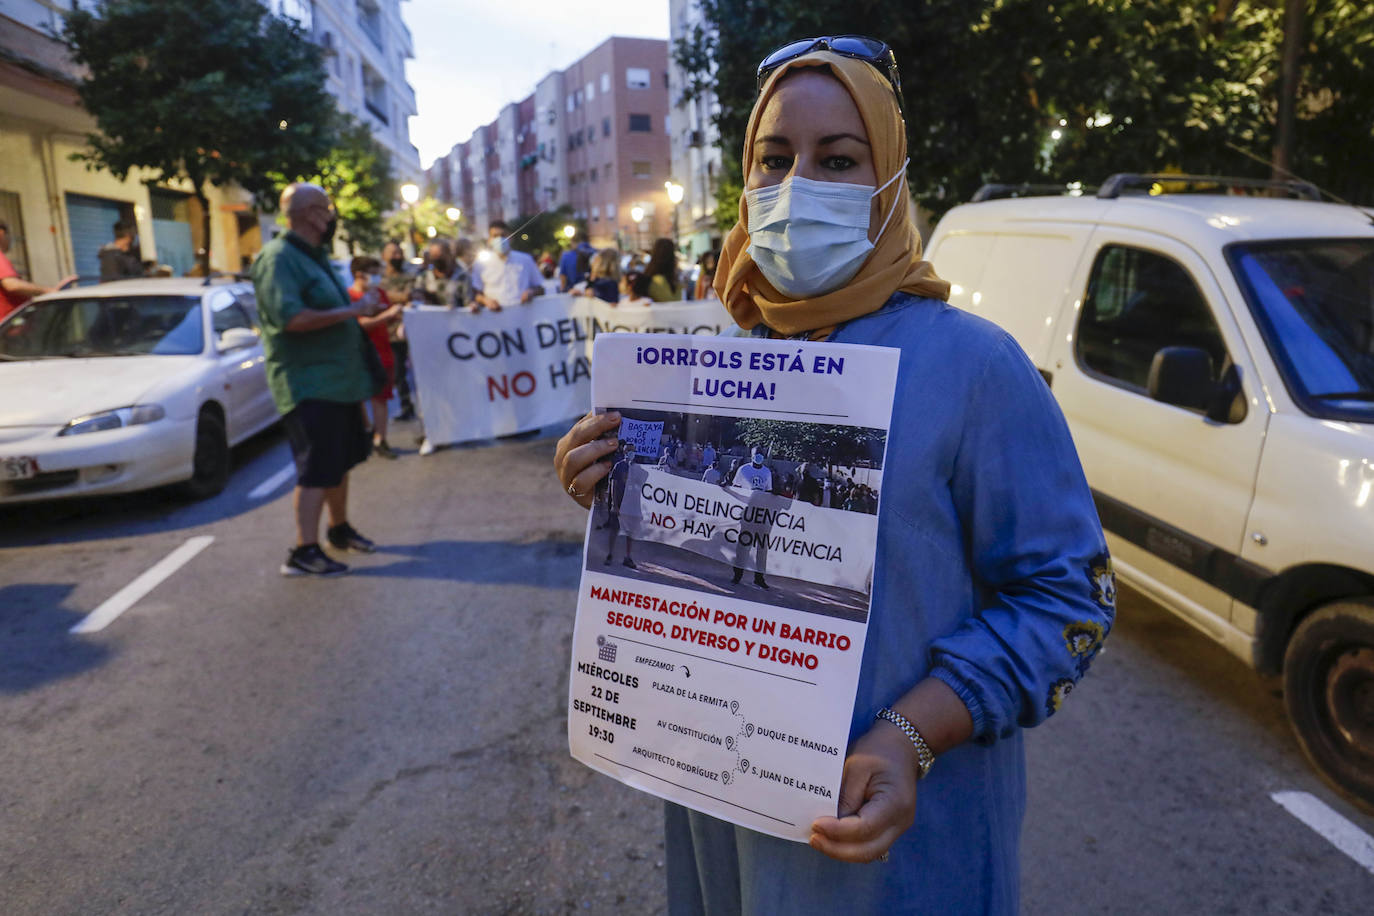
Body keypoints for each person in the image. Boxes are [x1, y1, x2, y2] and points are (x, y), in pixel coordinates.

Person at [554, 37, 1114, 914]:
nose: (795, 187)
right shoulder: (712, 364)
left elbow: (1068, 599)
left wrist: (911, 737)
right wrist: (612, 484)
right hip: (729, 826)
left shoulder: (974, 366)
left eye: (837, 160)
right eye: (774, 161)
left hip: (900, 856)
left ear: (888, 180)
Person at [252, 183, 381, 576]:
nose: (331, 214)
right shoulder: (278, 259)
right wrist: (352, 311)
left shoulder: (314, 256)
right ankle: (303, 551)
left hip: (339, 382)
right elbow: (290, 319)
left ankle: (338, 530)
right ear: (310, 213)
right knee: (316, 468)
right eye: (327, 208)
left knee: (338, 462)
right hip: (309, 385)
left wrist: (356, 311)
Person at [348, 256, 404, 458]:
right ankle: (366, 433)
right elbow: (359, 324)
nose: (376, 277)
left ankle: (380, 439)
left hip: (383, 352)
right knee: (360, 398)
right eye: (373, 273)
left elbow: (387, 321)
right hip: (359, 355)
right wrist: (385, 316)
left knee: (381, 397)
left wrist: (393, 318)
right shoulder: (350, 297)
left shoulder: (379, 293)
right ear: (359, 274)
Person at [0, 219, 75, 320]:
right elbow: (12, 285)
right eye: (10, 234)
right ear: (2, 233)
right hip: (8, 328)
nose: (11, 239)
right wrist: (49, 291)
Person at [378, 239, 417, 421]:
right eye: (393, 253)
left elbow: (411, 294)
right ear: (384, 256)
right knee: (399, 374)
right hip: (391, 333)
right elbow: (377, 297)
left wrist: (389, 297)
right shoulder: (379, 279)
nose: (397, 257)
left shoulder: (410, 275)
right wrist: (398, 298)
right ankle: (406, 406)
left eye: (399, 253)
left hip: (412, 330)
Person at [472, 221, 543, 311]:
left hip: (523, 315)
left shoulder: (526, 259)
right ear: (489, 240)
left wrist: (531, 292)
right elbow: (477, 293)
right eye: (495, 236)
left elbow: (540, 288)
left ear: (511, 237)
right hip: (495, 316)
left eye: (503, 235)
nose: (500, 239)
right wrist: (485, 300)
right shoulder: (480, 264)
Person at [603, 441, 637, 569]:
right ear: (624, 452)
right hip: (619, 504)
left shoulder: (636, 468)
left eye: (633, 450)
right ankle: (610, 554)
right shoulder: (619, 466)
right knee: (614, 530)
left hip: (630, 506)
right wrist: (615, 505)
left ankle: (627, 557)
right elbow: (614, 486)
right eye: (629, 450)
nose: (631, 453)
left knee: (630, 533)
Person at [414, 239, 470, 309]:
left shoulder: (461, 277)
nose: (437, 259)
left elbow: (468, 303)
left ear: (448, 255)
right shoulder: (424, 277)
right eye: (434, 256)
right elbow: (417, 298)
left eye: (440, 255)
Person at [645, 237, 680, 302]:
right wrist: (680, 285)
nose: (676, 257)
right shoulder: (659, 280)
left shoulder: (653, 277)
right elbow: (672, 303)